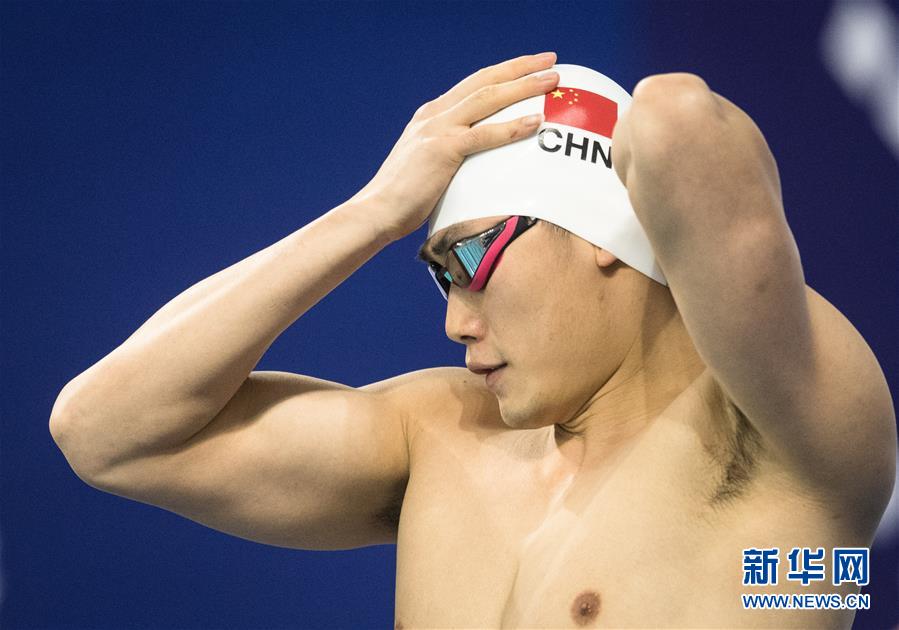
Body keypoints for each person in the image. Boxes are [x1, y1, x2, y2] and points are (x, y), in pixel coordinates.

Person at [49, 52, 896, 628]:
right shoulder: (437, 437)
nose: (455, 321)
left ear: (601, 234)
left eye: (469, 259)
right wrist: (373, 213)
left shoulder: (775, 442)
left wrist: (588, 136)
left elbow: (676, 121)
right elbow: (103, 434)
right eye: (439, 275)